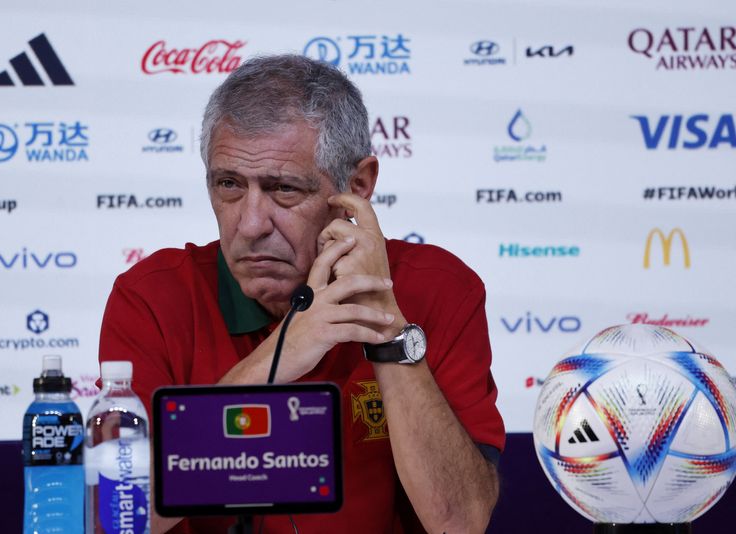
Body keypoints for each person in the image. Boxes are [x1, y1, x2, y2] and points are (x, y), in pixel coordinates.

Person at [99, 54, 505, 533]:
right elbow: (121, 519)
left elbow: (460, 525)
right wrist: (279, 356)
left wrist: (389, 334)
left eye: (283, 189)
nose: (250, 224)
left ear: (358, 185)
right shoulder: (151, 297)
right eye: (229, 185)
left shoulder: (438, 288)